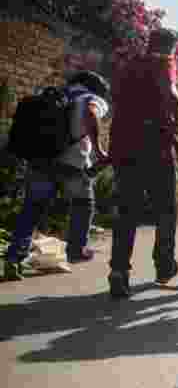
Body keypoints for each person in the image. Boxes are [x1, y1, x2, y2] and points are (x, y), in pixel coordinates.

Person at [4, 71, 112, 281]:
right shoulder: (91, 98)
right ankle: (76, 250)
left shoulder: (51, 93)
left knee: (32, 208)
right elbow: (91, 114)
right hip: (72, 163)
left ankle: (13, 258)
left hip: (41, 159)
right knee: (83, 202)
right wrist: (98, 150)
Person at [106, 29, 178, 298]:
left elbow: (116, 101)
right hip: (155, 151)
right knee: (166, 211)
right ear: (170, 48)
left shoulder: (130, 66)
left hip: (124, 150)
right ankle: (164, 265)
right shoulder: (163, 64)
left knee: (126, 213)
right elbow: (172, 94)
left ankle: (119, 272)